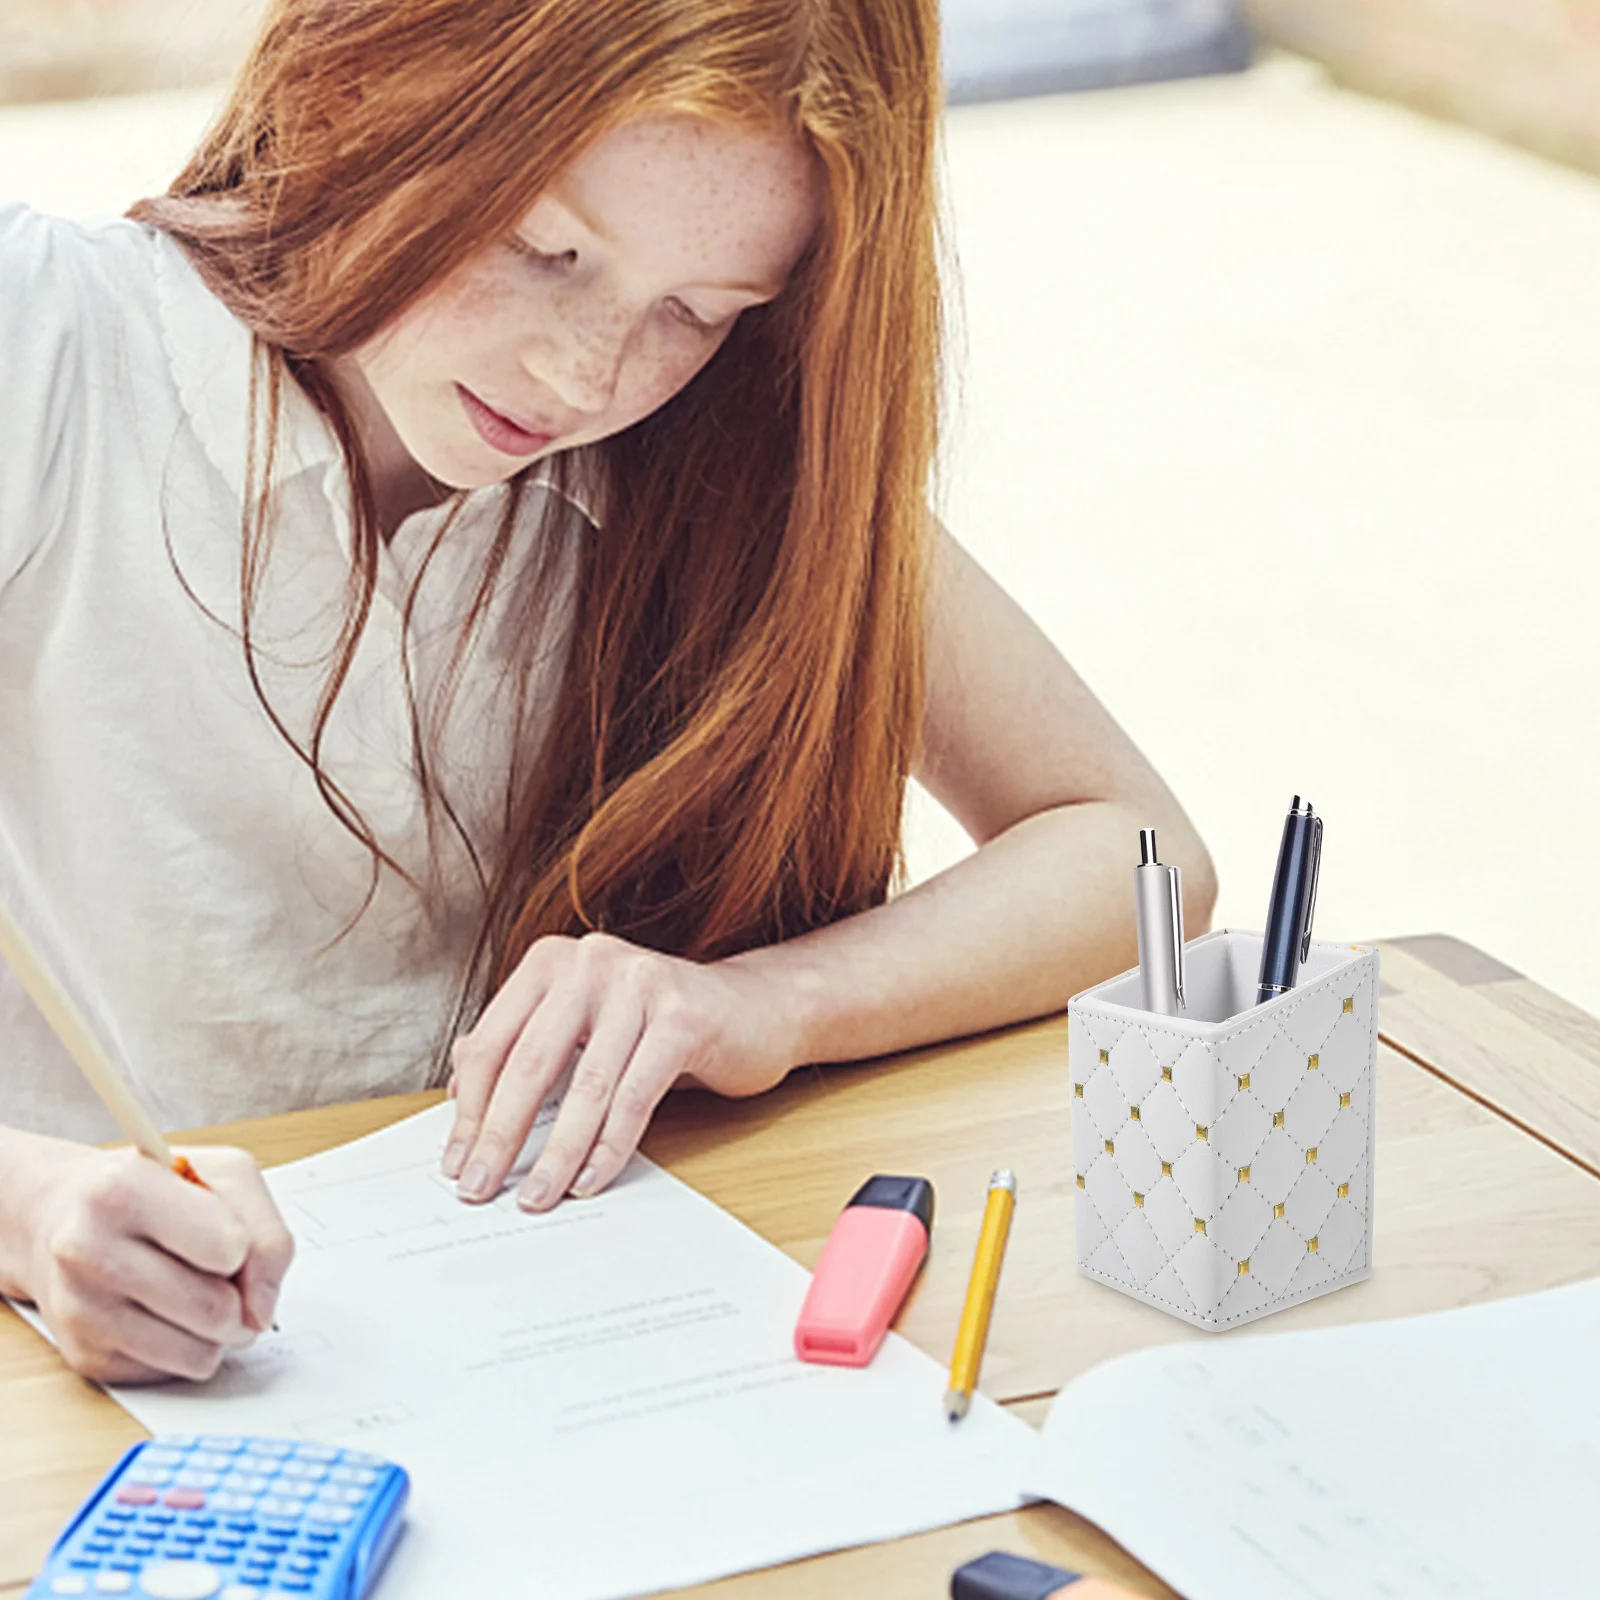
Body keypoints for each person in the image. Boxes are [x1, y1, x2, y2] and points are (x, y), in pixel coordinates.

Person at [0, 0, 1215, 1384]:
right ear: (363, 86)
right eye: (546, 250)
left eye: (698, 313)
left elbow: (1140, 856)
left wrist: (768, 1004)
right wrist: (29, 1208)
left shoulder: (719, 456)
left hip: (549, 1346)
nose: (587, 375)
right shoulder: (51, 347)